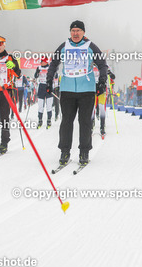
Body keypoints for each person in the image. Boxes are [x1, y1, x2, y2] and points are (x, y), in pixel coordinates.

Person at [46, 20, 107, 165]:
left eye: (78, 30)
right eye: (73, 31)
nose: (75, 33)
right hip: (67, 90)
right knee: (66, 122)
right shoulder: (64, 46)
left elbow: (102, 64)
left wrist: (102, 81)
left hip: (87, 90)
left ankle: (84, 152)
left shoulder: (91, 46)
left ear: (83, 32)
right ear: (70, 32)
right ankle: (64, 151)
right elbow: (54, 63)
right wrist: (49, 80)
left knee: (85, 122)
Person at [34, 57, 53, 129]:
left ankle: (49, 120)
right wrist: (37, 72)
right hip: (41, 87)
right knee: (40, 105)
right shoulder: (39, 67)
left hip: (48, 86)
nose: (41, 63)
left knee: (49, 105)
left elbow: (54, 76)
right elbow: (35, 76)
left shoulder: (50, 67)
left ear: (45, 62)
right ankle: (40, 120)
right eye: (41, 61)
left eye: (42, 61)